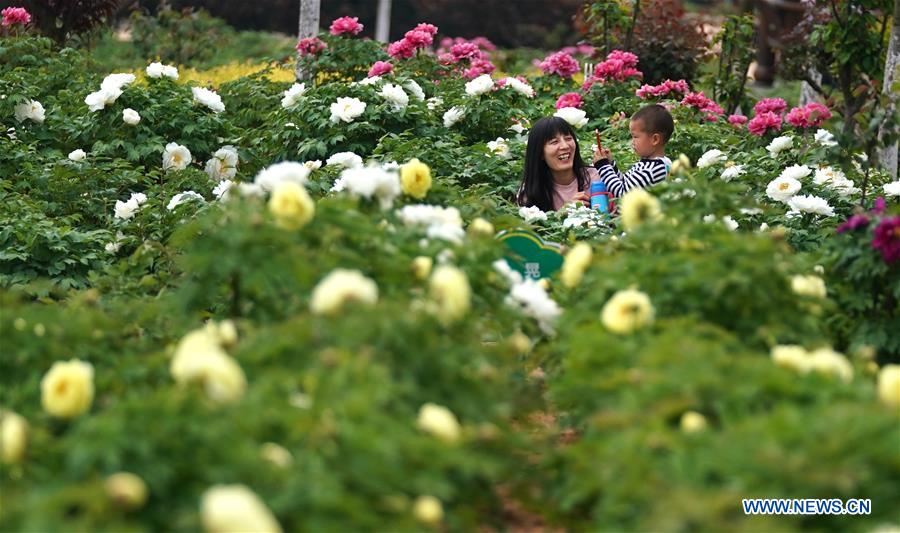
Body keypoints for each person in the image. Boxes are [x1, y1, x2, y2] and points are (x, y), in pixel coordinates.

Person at [516, 116, 601, 212]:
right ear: (540, 153)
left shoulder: (596, 178)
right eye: (554, 142)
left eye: (568, 138)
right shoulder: (530, 192)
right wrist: (566, 211)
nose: (565, 146)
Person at [593, 104, 674, 198]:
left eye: (635, 137)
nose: (632, 141)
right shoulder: (655, 164)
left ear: (655, 139)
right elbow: (625, 183)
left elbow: (622, 193)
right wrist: (611, 165)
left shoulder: (650, 170)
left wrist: (602, 165)